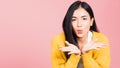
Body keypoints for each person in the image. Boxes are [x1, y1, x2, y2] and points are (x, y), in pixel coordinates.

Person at [51, 1, 110, 68]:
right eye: (74, 19)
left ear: (91, 21)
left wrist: (85, 54)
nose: (79, 24)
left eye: (84, 19)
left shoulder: (101, 40)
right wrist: (75, 56)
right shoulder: (58, 40)